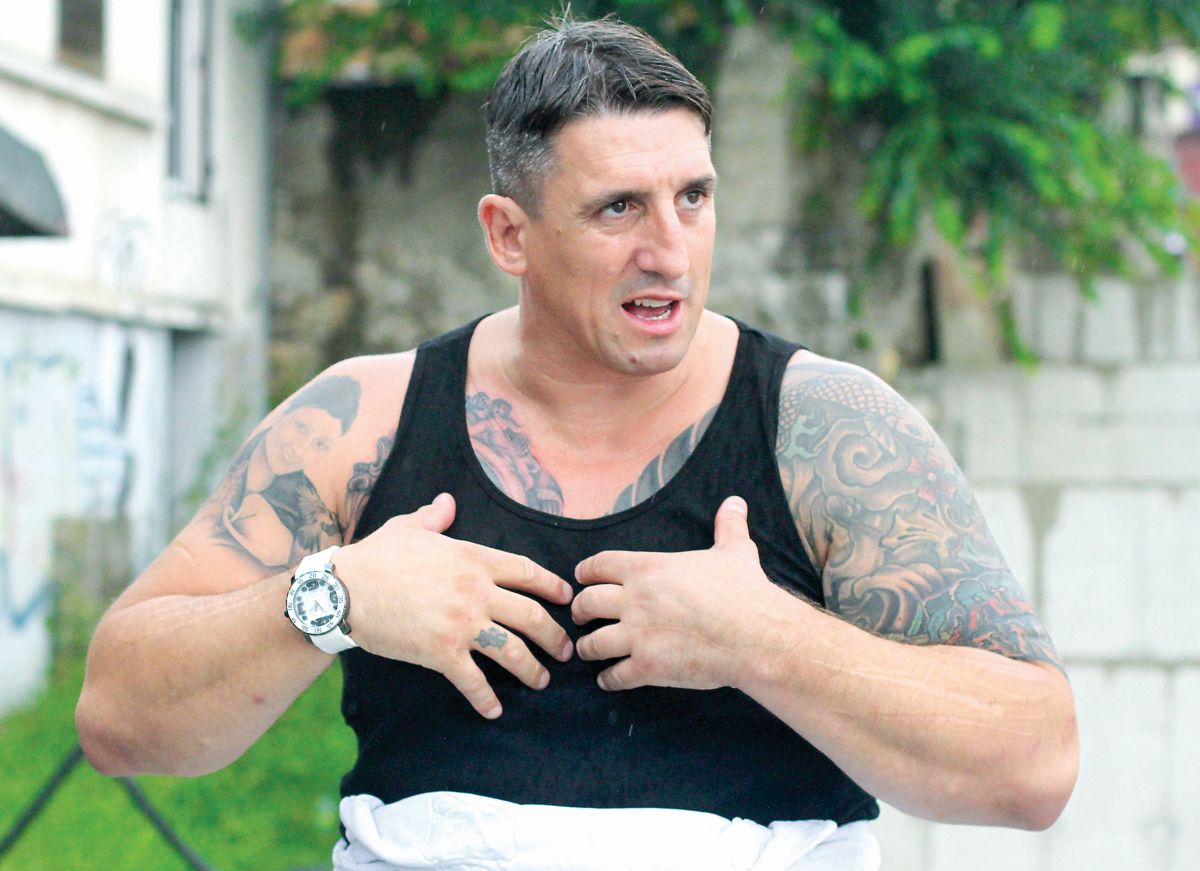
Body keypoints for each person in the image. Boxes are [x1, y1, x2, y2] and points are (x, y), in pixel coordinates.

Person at [76, 16, 1078, 870]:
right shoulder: (363, 419)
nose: (669, 250)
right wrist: (336, 595)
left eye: (693, 197)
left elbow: (1034, 766)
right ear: (509, 234)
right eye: (619, 208)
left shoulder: (827, 429)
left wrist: (764, 640)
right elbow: (118, 718)